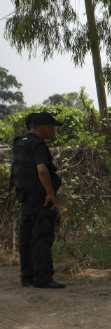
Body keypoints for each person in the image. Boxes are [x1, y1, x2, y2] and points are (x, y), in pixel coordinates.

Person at [11, 112, 65, 288]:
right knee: (41, 237)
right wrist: (50, 193)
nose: (52, 131)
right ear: (43, 127)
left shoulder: (20, 143)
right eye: (51, 127)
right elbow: (42, 170)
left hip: (25, 198)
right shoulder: (38, 145)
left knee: (26, 237)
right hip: (40, 198)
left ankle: (27, 276)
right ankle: (43, 278)